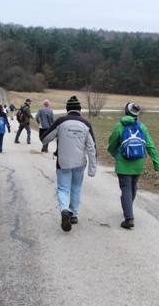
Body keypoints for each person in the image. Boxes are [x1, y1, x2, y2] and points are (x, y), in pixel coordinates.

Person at [42, 96, 97, 232]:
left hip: (63, 162)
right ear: (79, 109)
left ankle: (64, 210)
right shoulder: (86, 124)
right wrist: (92, 169)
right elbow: (92, 148)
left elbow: (45, 139)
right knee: (76, 187)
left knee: (63, 188)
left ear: (67, 109)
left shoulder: (61, 121)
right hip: (80, 162)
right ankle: (73, 215)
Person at [107, 102, 159, 229]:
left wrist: (116, 156)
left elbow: (111, 145)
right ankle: (128, 209)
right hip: (138, 163)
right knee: (133, 187)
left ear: (126, 111)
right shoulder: (142, 127)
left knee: (126, 189)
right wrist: (157, 163)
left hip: (123, 165)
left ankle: (129, 218)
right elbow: (150, 145)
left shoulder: (119, 126)